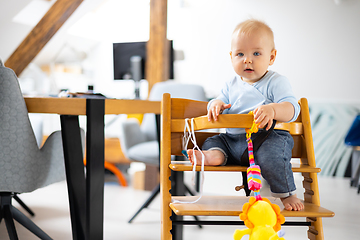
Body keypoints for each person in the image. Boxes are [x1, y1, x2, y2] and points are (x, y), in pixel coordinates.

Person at [186, 19, 304, 211]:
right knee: (213, 140)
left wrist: (273, 109)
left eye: (256, 53)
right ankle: (214, 156)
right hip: (233, 140)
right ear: (231, 56)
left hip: (267, 138)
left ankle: (287, 194)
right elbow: (219, 98)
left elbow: (292, 109)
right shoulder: (230, 84)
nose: (247, 60)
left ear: (271, 57)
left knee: (271, 157)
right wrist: (215, 104)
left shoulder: (276, 82)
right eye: (240, 54)